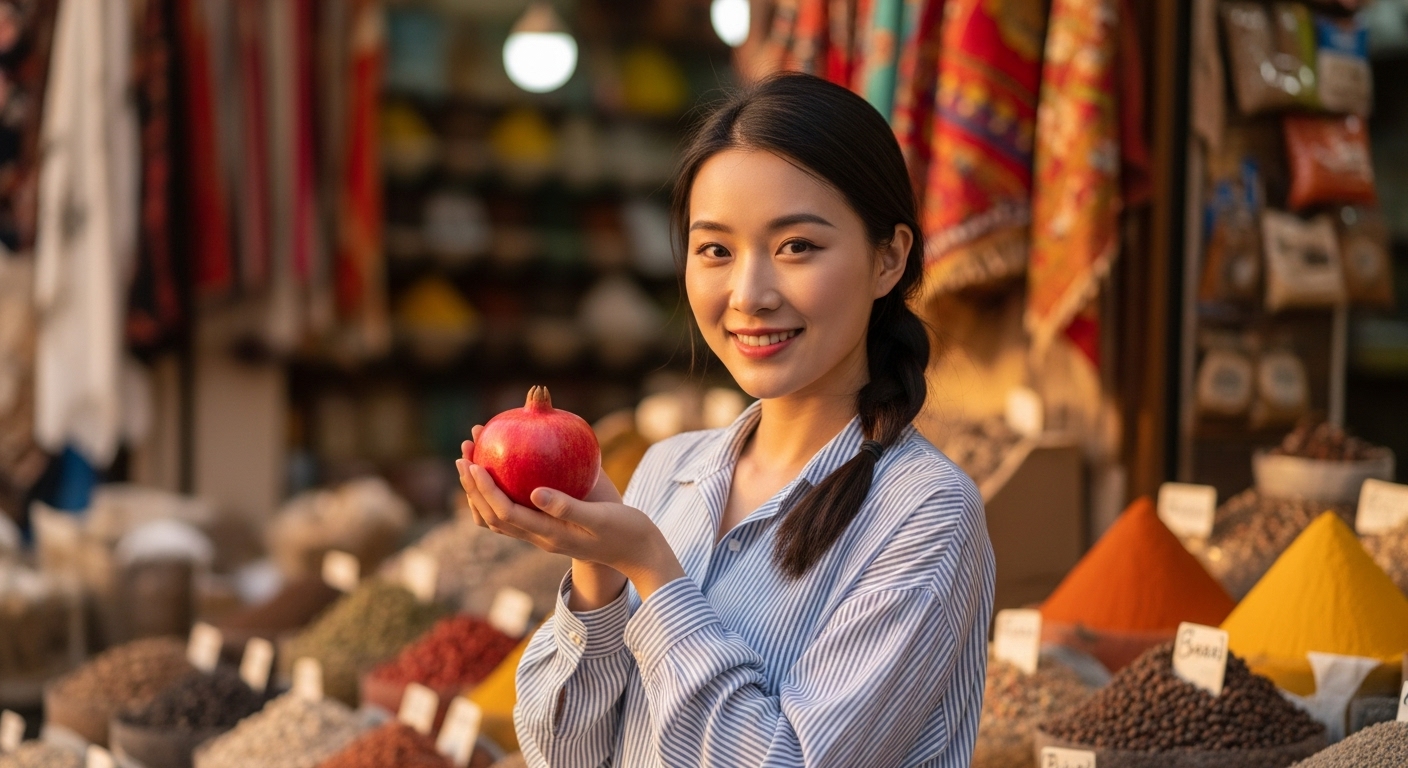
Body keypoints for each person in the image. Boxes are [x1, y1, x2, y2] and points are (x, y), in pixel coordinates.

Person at [457, 72, 994, 767]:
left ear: (889, 257)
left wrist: (651, 568)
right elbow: (567, 756)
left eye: (796, 246)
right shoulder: (668, 469)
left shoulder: (926, 513)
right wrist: (598, 569)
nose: (749, 294)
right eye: (716, 250)